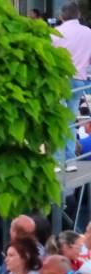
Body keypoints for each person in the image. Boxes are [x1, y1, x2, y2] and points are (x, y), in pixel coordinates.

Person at [53, 2, 91, 166]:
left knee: (57, 120)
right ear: (79, 15)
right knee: (71, 120)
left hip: (58, 80)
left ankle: (58, 158)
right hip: (79, 80)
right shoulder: (88, 32)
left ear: (61, 16)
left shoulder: (55, 33)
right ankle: (69, 158)